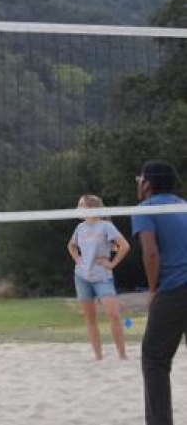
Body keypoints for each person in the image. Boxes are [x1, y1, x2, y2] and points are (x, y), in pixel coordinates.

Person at [133, 160, 187, 425]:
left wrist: (153, 290)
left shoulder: (145, 208)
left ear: (148, 184)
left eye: (139, 178)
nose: (138, 183)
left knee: (154, 359)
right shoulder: (184, 206)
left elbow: (151, 253)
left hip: (175, 290)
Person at [66, 194, 130, 360]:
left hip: (102, 276)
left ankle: (122, 355)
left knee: (114, 314)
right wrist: (78, 260)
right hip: (82, 277)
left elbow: (124, 246)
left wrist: (112, 263)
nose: (77, 208)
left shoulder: (105, 226)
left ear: (91, 207)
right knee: (90, 318)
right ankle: (98, 357)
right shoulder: (80, 228)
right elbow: (71, 246)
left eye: (81, 205)